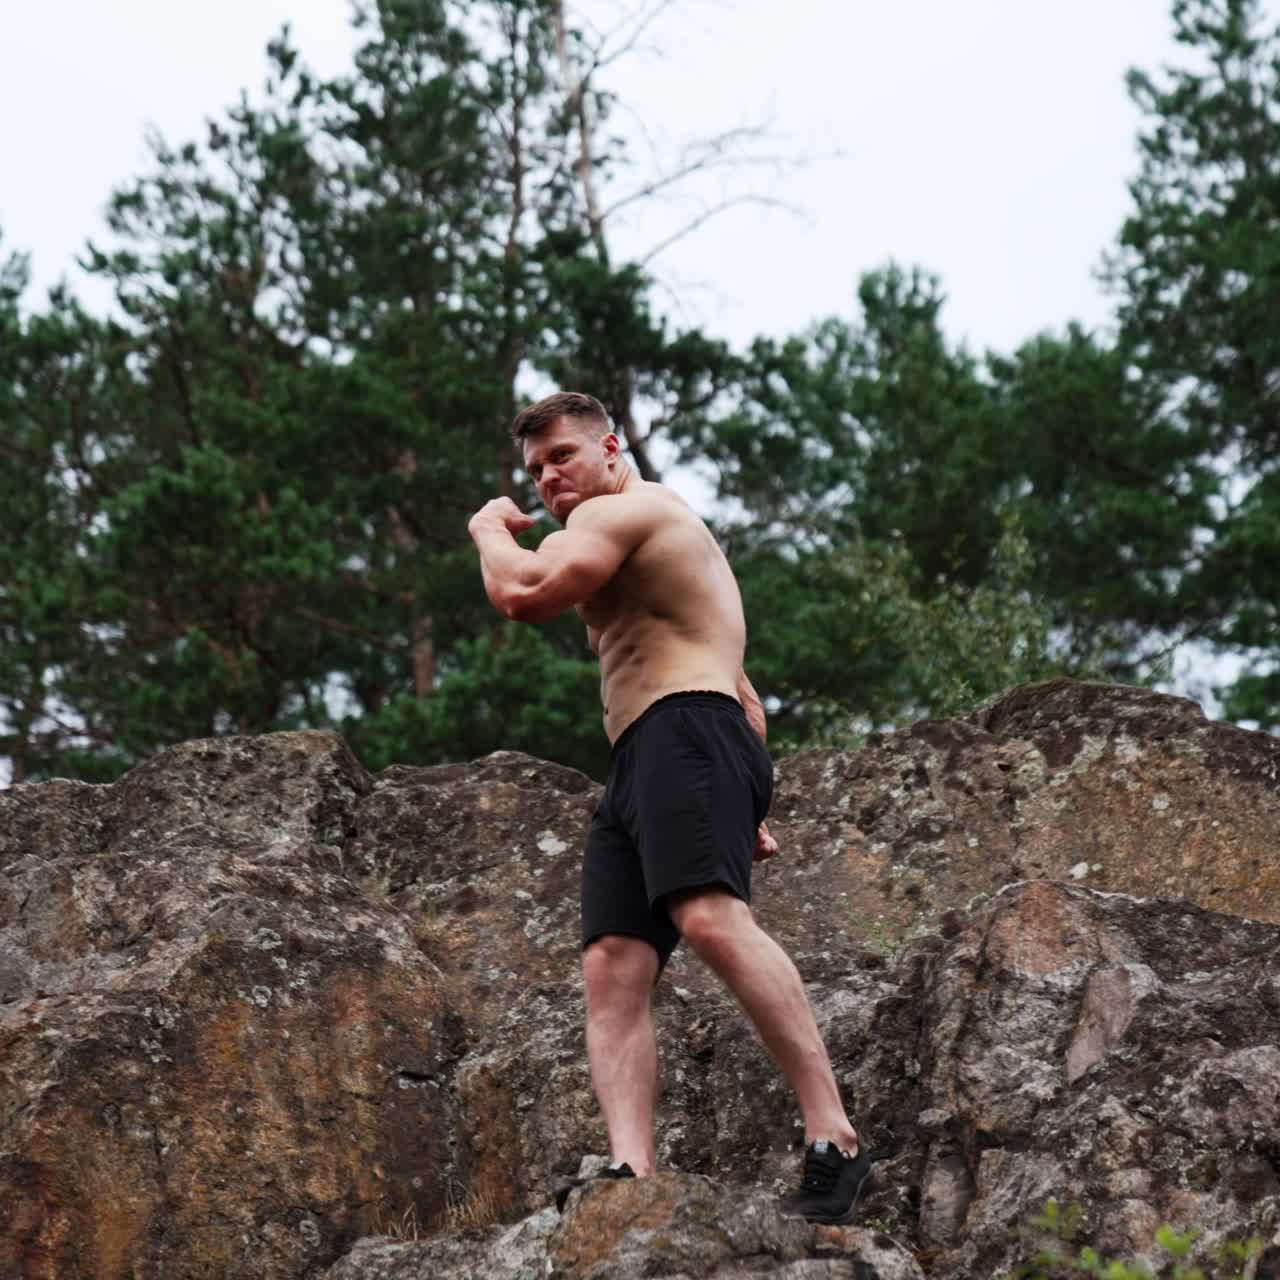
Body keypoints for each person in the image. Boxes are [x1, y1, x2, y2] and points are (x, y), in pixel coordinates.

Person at [467, 390, 871, 1223]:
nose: (548, 478)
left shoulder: (629, 511)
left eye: (563, 456)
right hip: (650, 756)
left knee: (710, 920)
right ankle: (631, 1169)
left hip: (681, 730)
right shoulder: (645, 539)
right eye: (536, 470)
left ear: (612, 449)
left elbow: (522, 593)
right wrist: (746, 792)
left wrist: (486, 529)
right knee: (612, 962)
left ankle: (835, 1137)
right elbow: (744, 690)